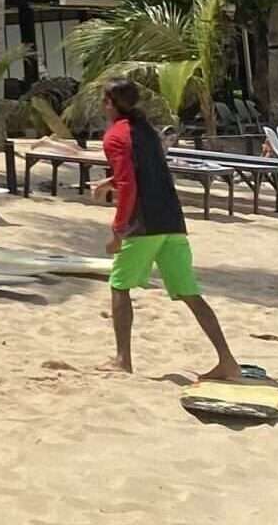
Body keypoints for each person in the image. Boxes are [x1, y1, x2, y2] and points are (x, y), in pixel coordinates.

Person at [90, 79, 241, 380]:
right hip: (172, 221)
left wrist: (118, 231)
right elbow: (147, 171)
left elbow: (129, 186)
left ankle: (122, 360)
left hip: (143, 225)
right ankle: (228, 361)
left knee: (119, 286)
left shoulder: (115, 135)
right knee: (190, 294)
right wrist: (110, 182)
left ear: (109, 103)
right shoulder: (146, 129)